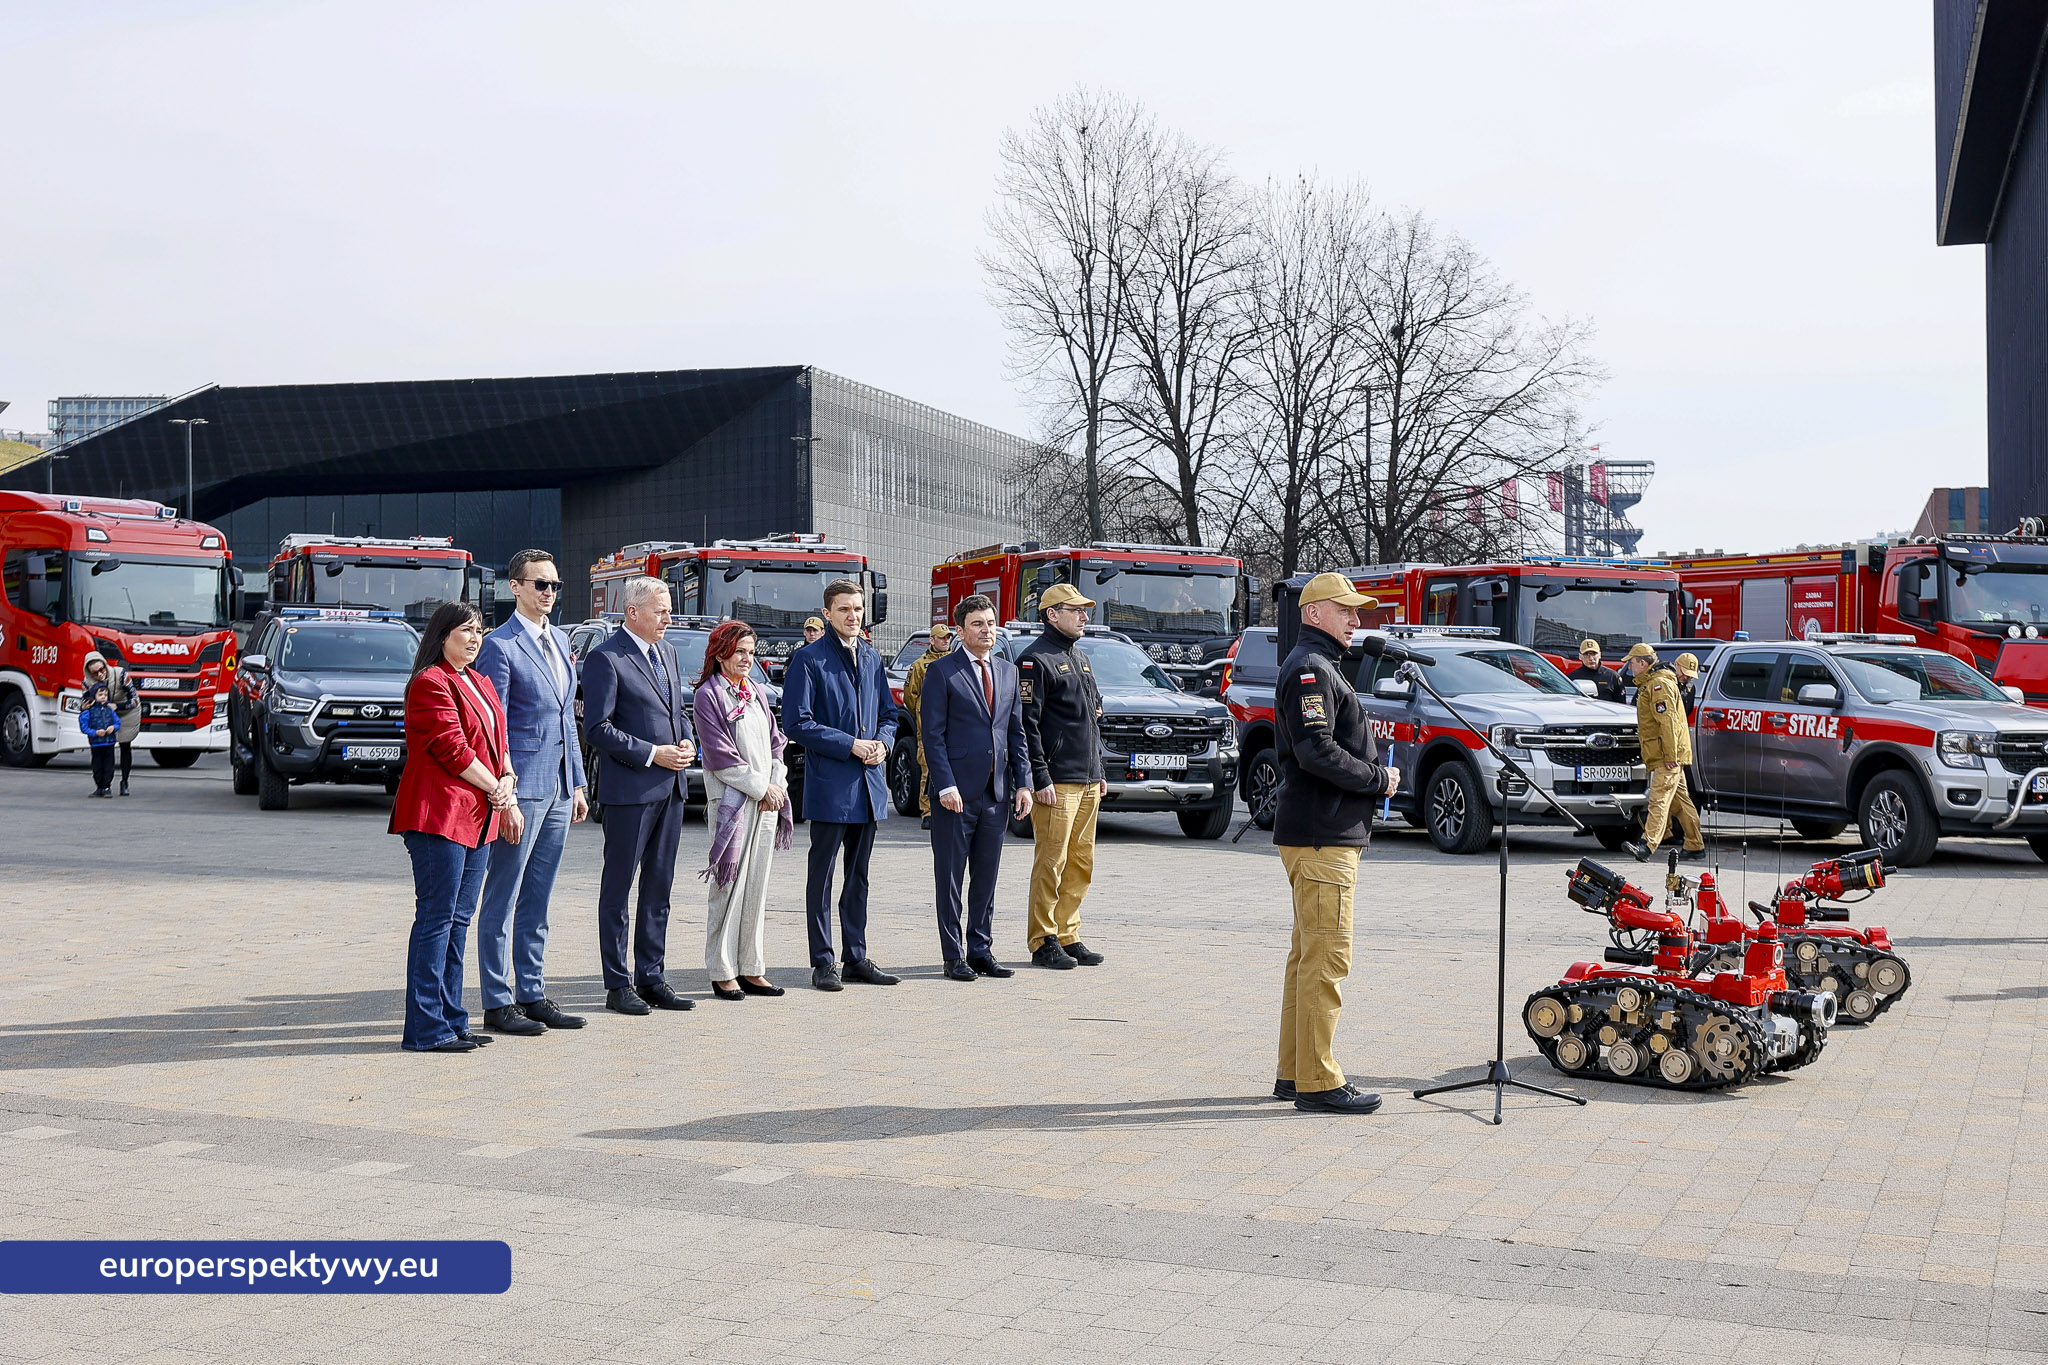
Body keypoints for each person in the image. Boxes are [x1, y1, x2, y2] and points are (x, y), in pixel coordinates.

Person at [1271, 571, 1400, 1116]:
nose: (1356, 620)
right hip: (1323, 836)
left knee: (1308, 956)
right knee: (1327, 958)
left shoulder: (1320, 666)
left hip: (1322, 832)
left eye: (1357, 612)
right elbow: (1316, 751)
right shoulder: (1308, 669)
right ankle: (1319, 1081)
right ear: (1314, 613)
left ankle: (1295, 1070)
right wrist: (1377, 779)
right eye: (1345, 611)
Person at [388, 601, 521, 1054]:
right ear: (442, 635)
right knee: (436, 919)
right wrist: (497, 789)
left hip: (477, 817)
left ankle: (451, 1017)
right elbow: (452, 748)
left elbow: (500, 742)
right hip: (438, 816)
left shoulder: (480, 680)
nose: (475, 637)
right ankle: (425, 1028)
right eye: (465, 629)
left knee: (458, 921)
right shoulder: (430, 682)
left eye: (480, 630)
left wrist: (506, 783)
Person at [471, 550, 589, 1038]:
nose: (549, 594)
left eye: (555, 586)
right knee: (504, 893)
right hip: (522, 789)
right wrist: (507, 795)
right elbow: (495, 728)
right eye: (540, 584)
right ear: (515, 587)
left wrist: (579, 782)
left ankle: (532, 992)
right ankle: (497, 1000)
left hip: (560, 787)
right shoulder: (499, 646)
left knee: (538, 898)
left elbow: (568, 718)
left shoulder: (560, 639)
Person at [581, 576, 698, 1016]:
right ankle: (618, 984)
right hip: (630, 791)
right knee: (619, 888)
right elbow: (597, 728)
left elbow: (676, 711)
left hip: (671, 790)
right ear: (633, 613)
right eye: (660, 611)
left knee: (659, 887)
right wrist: (652, 753)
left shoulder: (667, 652)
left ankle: (652, 976)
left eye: (668, 610)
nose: (668, 618)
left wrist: (686, 743)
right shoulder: (605, 658)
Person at [782, 577, 901, 992]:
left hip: (869, 785)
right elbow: (797, 723)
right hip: (832, 786)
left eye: (858, 608)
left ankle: (856, 956)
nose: (853, 615)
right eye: (845, 609)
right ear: (828, 613)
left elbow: (890, 714)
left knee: (859, 877)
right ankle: (822, 961)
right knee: (823, 876)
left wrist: (883, 745)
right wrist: (851, 745)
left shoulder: (871, 657)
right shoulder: (809, 660)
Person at [921, 596, 1032, 981]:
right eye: (978, 625)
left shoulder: (1007, 671)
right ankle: (953, 955)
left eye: (990, 623)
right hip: (955, 795)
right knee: (950, 878)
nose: (987, 630)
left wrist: (1024, 784)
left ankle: (981, 949)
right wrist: (944, 784)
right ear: (960, 631)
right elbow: (931, 736)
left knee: (986, 878)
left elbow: (1015, 732)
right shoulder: (943, 672)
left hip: (996, 792)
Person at [693, 621, 793, 1001]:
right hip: (732, 807)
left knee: (756, 888)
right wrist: (760, 787)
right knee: (728, 888)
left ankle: (751, 967)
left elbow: (776, 743)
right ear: (721, 654)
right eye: (740, 652)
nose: (747, 659)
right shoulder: (709, 695)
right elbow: (720, 757)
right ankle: (722, 971)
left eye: (751, 652)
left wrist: (777, 785)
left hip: (766, 803)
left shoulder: (756, 692)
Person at [1018, 583, 1107, 970]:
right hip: (1057, 781)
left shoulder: (1081, 658)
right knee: (1051, 862)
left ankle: (1068, 933)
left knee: (1080, 861)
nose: (1084, 616)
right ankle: (1043, 939)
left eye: (1084, 610)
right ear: (1052, 614)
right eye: (1076, 610)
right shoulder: (1035, 659)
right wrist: (1040, 777)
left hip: (1087, 780)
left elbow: (1093, 720)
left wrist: (1099, 771)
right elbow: (1028, 724)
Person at [1622, 642, 1705, 864]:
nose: (1629, 667)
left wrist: (1669, 756)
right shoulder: (1655, 683)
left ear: (1642, 663)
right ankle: (1695, 845)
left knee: (1658, 799)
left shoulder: (1658, 685)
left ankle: (1647, 845)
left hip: (1666, 756)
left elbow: (1667, 722)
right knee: (1680, 802)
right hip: (1668, 753)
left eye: (1631, 663)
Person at [899, 622, 955, 830]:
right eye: (941, 637)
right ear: (931, 640)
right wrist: (923, 715)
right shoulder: (920, 665)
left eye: (948, 637)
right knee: (927, 770)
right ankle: (928, 813)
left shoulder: (956, 661)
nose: (946, 641)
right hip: (928, 728)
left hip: (953, 727)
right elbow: (911, 697)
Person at [77, 667, 120, 798]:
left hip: (109, 742)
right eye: (100, 695)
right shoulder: (88, 712)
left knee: (109, 766)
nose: (103, 697)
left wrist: (113, 728)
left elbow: (117, 722)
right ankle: (99, 786)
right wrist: (95, 732)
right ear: (94, 696)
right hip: (96, 743)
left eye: (105, 695)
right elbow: (84, 727)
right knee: (97, 766)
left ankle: (107, 786)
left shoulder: (109, 710)